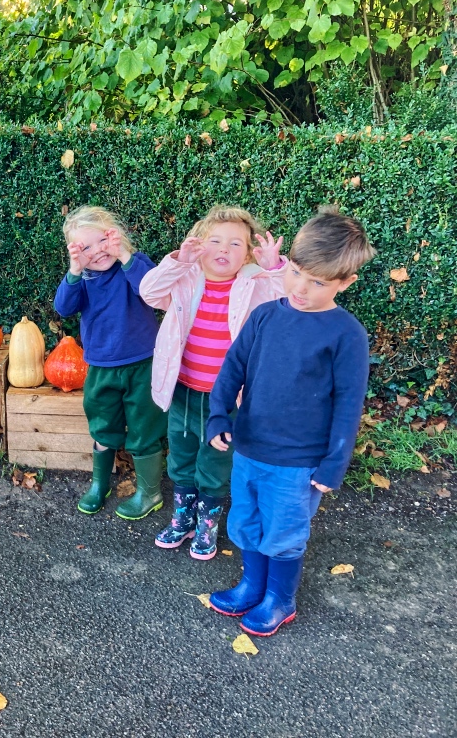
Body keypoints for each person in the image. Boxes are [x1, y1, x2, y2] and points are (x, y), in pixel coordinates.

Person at [206, 206, 376, 635]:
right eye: (296, 272)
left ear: (345, 282)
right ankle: (251, 586)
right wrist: (216, 416)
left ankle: (280, 600)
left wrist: (334, 464)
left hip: (299, 463)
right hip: (249, 446)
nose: (300, 287)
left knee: (283, 532)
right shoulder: (266, 315)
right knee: (246, 522)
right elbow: (232, 369)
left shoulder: (346, 334)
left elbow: (348, 403)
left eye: (317, 282)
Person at [139, 206, 287, 559]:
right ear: (200, 244)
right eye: (216, 240)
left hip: (226, 400)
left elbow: (285, 303)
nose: (224, 249)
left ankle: (207, 525)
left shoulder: (255, 282)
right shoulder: (185, 276)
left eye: (236, 244)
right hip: (182, 390)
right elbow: (148, 292)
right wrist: (178, 261)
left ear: (248, 252)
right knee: (182, 457)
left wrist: (274, 268)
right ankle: (183, 517)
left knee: (215, 461)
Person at [53, 205, 166, 519]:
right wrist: (75, 269)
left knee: (145, 427)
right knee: (103, 428)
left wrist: (126, 256)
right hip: (101, 368)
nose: (97, 252)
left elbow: (153, 290)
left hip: (142, 364)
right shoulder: (84, 278)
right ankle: (99, 483)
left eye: (102, 241)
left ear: (115, 236)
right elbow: (63, 308)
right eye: (85, 247)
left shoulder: (135, 265)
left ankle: (150, 491)